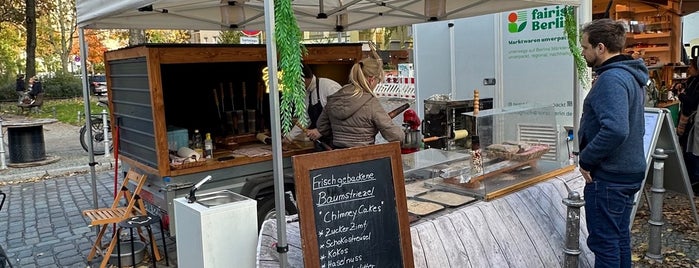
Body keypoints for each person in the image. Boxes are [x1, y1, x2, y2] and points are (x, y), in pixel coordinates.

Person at [577, 19, 649, 268]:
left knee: (605, 243)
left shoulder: (612, 79)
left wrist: (586, 158)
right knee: (618, 239)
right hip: (626, 173)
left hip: (610, 177)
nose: (583, 53)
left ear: (600, 47)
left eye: (584, 47)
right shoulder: (630, 76)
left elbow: (617, 129)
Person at [315, 57, 404, 148]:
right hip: (363, 157)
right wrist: (404, 136)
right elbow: (395, 135)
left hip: (337, 156)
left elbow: (321, 126)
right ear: (371, 79)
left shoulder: (335, 97)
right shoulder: (371, 103)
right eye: (378, 81)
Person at [287, 64, 342, 151]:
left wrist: (320, 131)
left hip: (336, 141)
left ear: (302, 78)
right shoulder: (306, 93)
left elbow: (340, 116)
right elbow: (305, 118)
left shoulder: (329, 87)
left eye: (295, 82)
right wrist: (289, 137)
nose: (294, 86)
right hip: (320, 142)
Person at [679, 58, 699, 194]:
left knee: (692, 149)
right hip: (690, 119)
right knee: (688, 147)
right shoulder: (692, 81)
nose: (688, 69)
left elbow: (692, 101)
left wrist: (681, 96)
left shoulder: (697, 83)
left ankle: (694, 179)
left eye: (691, 67)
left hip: (693, 120)